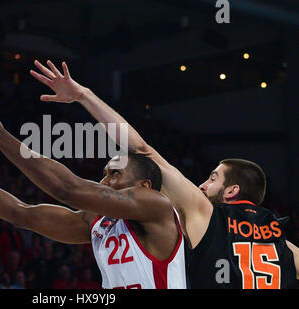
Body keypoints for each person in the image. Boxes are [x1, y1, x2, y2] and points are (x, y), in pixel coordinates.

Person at [29, 60, 299, 288]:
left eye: (213, 178)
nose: (202, 185)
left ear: (232, 191)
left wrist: (83, 95)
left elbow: (140, 149)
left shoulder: (207, 215)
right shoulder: (283, 243)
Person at [0, 98, 187, 290]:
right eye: (104, 173)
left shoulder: (158, 208)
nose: (103, 181)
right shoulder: (97, 223)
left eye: (114, 174)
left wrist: (1, 138)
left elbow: (65, 189)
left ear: (144, 186)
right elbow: (20, 214)